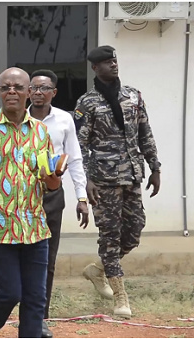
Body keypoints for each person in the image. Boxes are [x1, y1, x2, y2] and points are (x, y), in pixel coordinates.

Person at [0, 67, 61, 338]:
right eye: (5, 87)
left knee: (34, 299)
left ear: (29, 92)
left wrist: (53, 178)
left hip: (35, 228)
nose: (11, 92)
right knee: (9, 293)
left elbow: (49, 183)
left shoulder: (41, 132)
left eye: (18, 87)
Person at [74, 45, 161, 319]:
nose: (113, 65)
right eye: (106, 62)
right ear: (94, 68)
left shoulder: (133, 96)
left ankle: (97, 270)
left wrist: (154, 166)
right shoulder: (87, 103)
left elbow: (145, 132)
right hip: (103, 181)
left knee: (134, 231)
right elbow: (79, 145)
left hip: (132, 175)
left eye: (114, 60)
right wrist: (86, 179)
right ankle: (121, 297)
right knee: (110, 238)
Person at [28, 69, 91, 337]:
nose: (38, 93)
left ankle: (40, 316)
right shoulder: (18, 118)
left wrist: (82, 197)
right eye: (34, 88)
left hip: (51, 194)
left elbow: (74, 159)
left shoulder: (64, 119)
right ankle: (16, 308)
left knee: (47, 258)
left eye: (44, 88)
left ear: (54, 92)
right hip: (19, 195)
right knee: (19, 255)